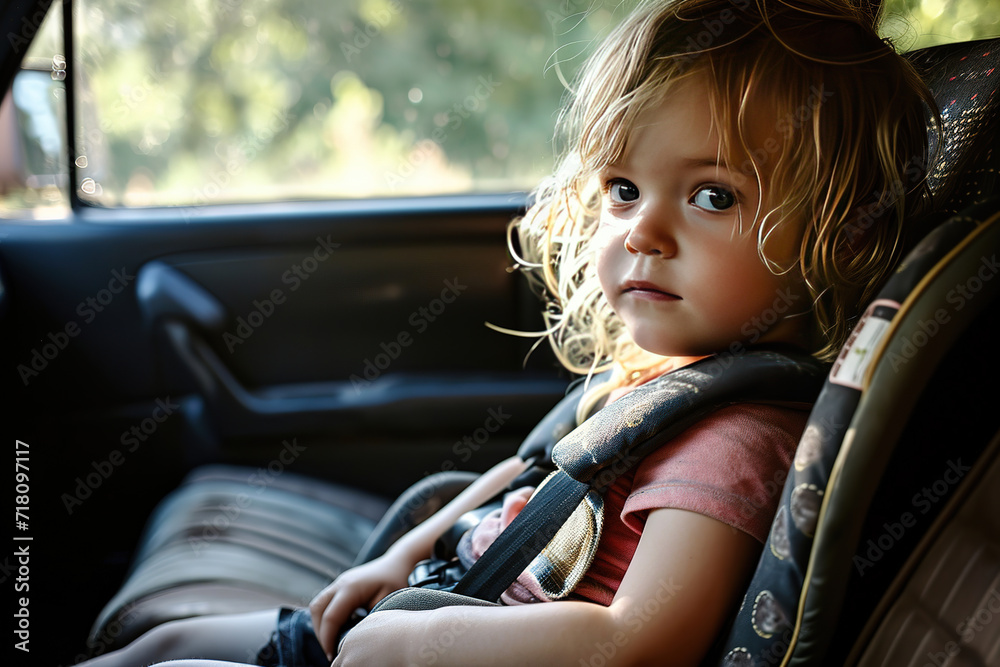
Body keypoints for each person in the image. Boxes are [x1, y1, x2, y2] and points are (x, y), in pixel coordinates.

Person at [79, 0, 937, 665]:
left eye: (713, 195)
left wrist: (421, 643)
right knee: (154, 647)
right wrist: (398, 563)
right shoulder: (671, 381)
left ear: (839, 236)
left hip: (463, 642)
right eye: (623, 189)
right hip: (436, 605)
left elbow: (638, 643)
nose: (641, 232)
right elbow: (522, 473)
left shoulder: (738, 439)